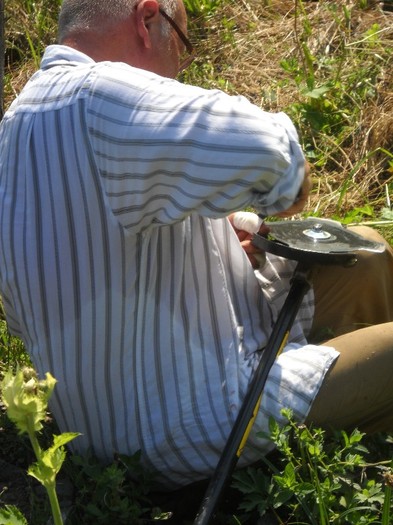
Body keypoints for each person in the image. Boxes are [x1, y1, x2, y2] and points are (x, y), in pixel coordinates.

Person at [0, 0, 393, 490]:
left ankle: (351, 411)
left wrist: (229, 229)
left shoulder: (15, 130)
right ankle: (352, 456)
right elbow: (275, 157)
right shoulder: (103, 94)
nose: (181, 67)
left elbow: (21, 314)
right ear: (147, 21)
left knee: (364, 252)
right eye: (181, 44)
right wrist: (290, 183)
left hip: (92, 440)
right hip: (196, 427)